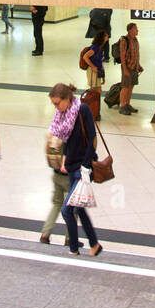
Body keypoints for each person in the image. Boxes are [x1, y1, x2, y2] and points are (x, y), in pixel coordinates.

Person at [48, 83, 102, 257]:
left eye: (57, 103)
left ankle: (73, 248)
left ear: (67, 99)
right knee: (78, 208)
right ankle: (94, 244)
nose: (56, 107)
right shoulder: (63, 115)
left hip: (83, 168)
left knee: (66, 209)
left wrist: (86, 165)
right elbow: (66, 140)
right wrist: (64, 159)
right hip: (71, 166)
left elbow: (92, 138)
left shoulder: (83, 110)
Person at [116, 22, 142, 115]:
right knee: (125, 87)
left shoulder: (135, 40)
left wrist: (138, 65)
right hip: (127, 67)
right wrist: (125, 69)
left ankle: (127, 104)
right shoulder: (124, 40)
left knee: (131, 86)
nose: (137, 30)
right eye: (135, 29)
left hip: (134, 67)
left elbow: (136, 53)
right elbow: (122, 56)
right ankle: (122, 106)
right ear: (130, 30)